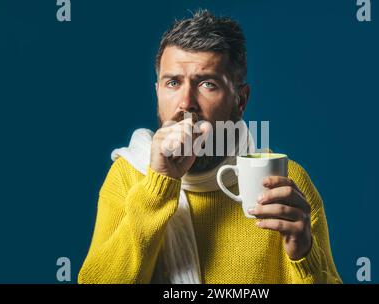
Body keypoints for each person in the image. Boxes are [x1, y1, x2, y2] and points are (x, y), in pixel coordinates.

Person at [78, 9, 342, 284]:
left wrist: (304, 254)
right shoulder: (126, 176)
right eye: (173, 83)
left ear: (240, 101)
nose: (186, 102)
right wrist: (158, 185)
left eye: (207, 83)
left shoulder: (285, 184)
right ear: (158, 91)